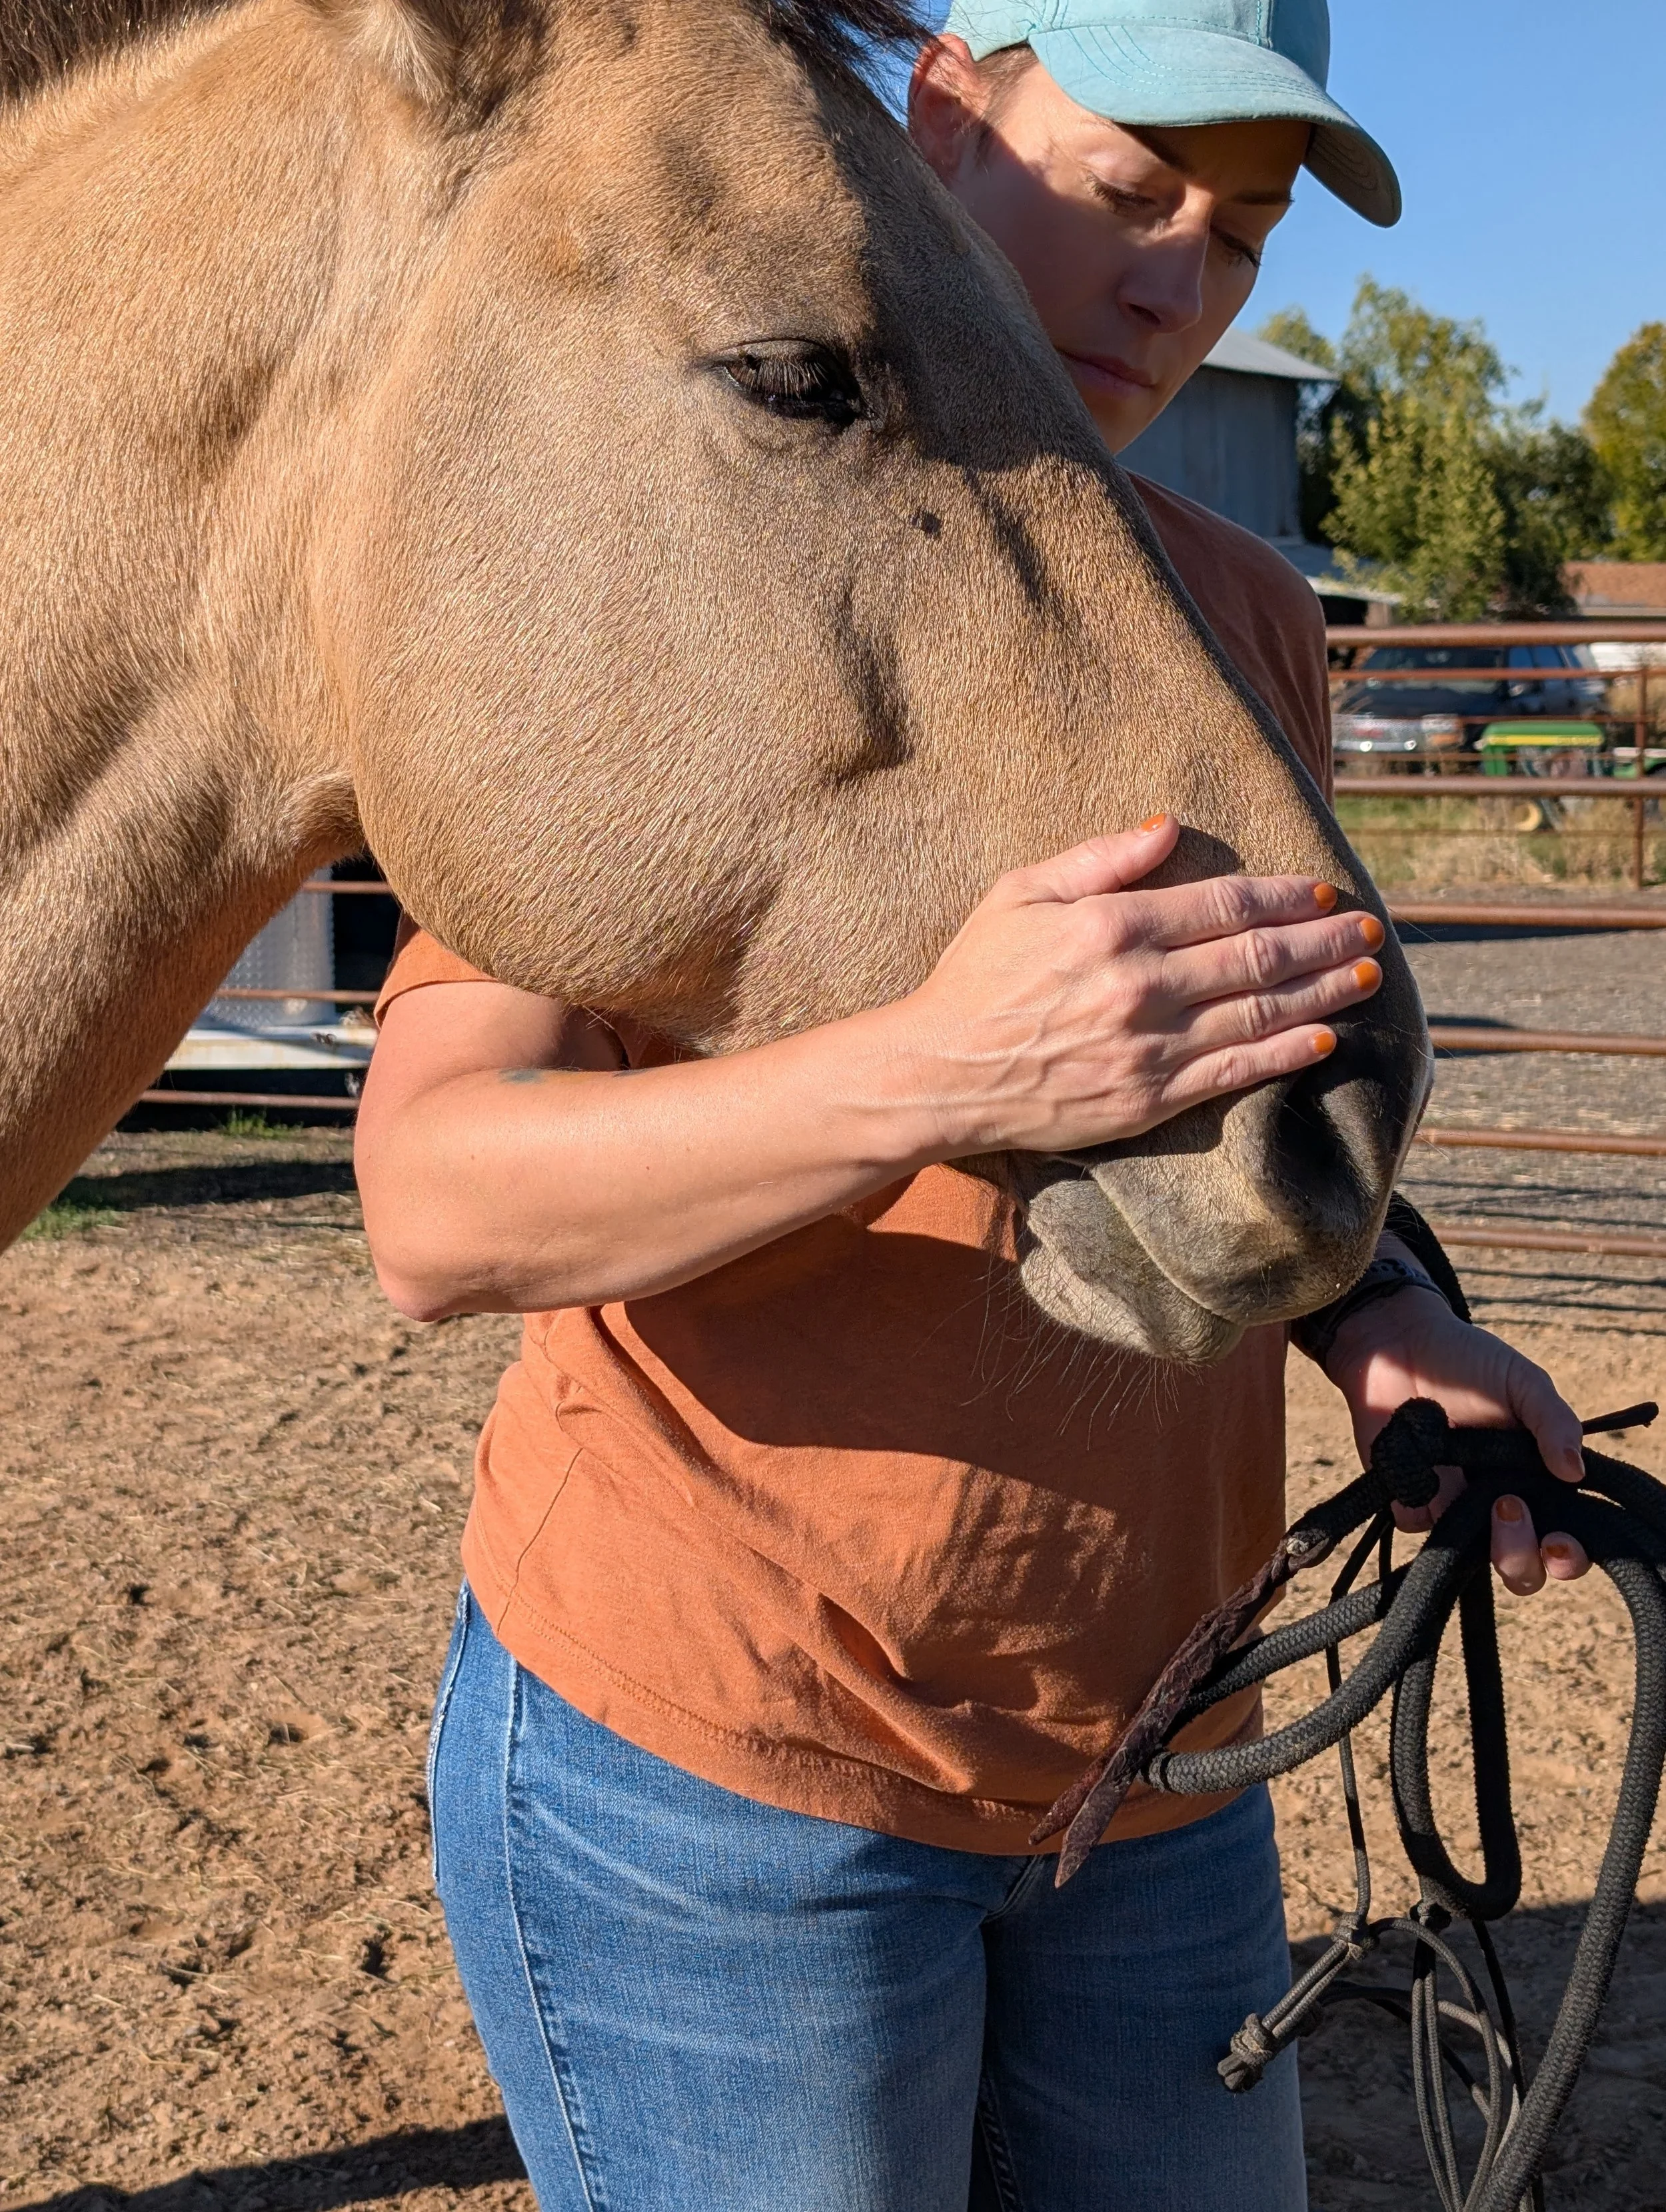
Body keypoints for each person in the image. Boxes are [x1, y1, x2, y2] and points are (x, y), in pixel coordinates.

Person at [355, 5, 1591, 2205]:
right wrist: (950, 1067)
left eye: (1235, 237)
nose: (1176, 286)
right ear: (942, 105)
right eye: (1127, 192)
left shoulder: (1238, 614)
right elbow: (439, 1202)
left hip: (1169, 1764)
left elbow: (1246, 1083)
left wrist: (1378, 1306)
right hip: (733, 1768)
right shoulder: (688, 571)